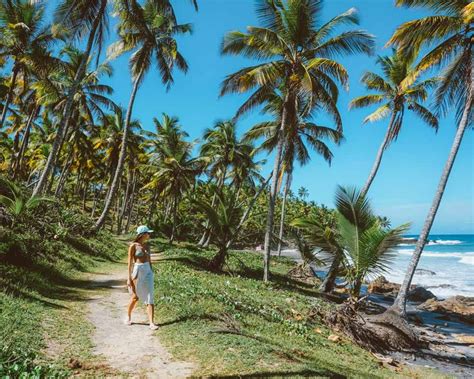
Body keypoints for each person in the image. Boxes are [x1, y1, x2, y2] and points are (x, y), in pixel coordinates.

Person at [125, 225, 158, 330]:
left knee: (150, 296)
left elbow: (149, 260)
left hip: (148, 271)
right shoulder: (133, 246)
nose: (149, 235)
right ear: (142, 234)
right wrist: (129, 278)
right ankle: (128, 316)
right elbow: (130, 263)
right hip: (138, 271)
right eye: (148, 233)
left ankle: (151, 323)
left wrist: (151, 272)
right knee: (135, 297)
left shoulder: (147, 246)